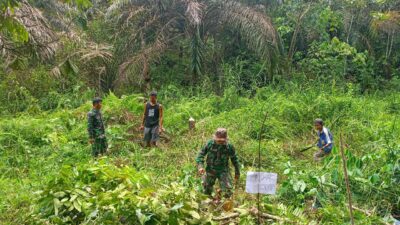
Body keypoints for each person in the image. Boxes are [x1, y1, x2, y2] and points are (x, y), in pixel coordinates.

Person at [196, 128, 240, 198]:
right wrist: (200, 167)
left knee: (228, 191)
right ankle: (208, 204)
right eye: (218, 140)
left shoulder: (229, 147)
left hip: (224, 170)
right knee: (206, 189)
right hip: (210, 170)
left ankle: (225, 205)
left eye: (222, 140)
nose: (220, 142)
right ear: (214, 137)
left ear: (226, 139)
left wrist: (237, 173)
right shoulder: (209, 144)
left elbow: (235, 160)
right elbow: (200, 155)